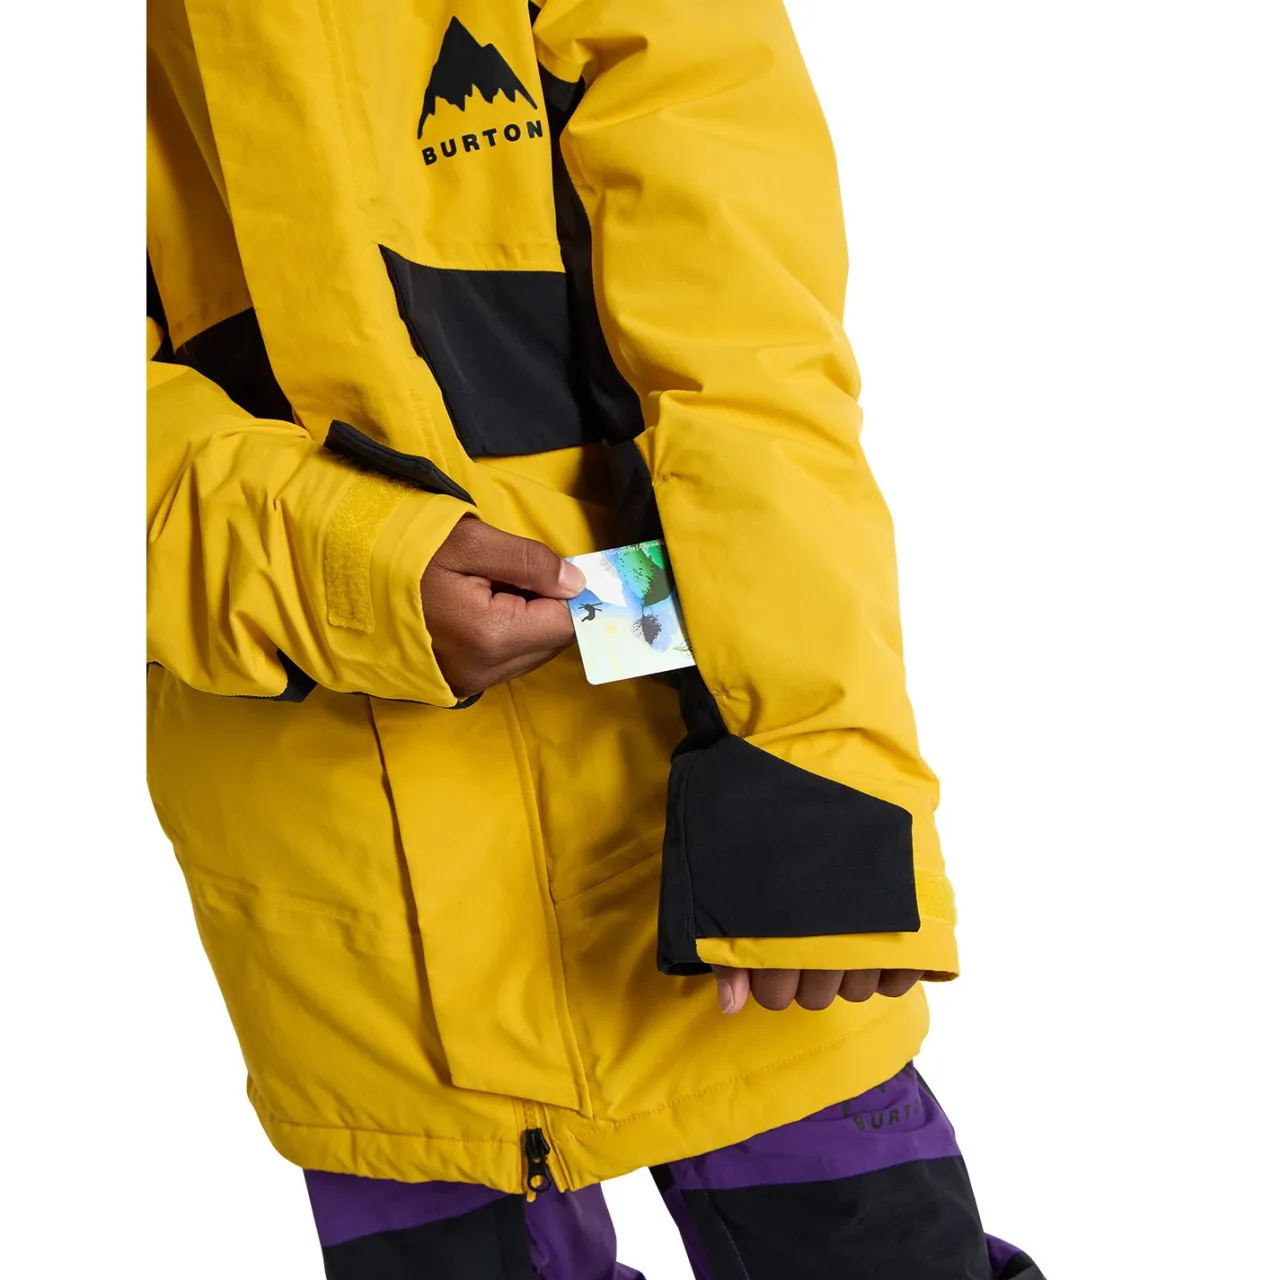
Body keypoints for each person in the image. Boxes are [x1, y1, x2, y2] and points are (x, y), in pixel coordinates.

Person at [146, 0, 1040, 1274]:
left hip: (694, 823)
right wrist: (339, 567)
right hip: (342, 894)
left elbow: (745, 354)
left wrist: (811, 768)